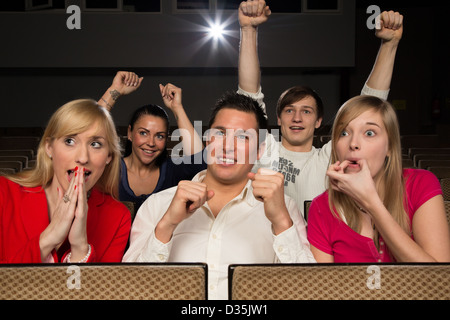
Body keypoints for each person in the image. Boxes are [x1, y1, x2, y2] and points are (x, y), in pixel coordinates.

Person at [123, 92, 315, 300]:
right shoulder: (158, 205)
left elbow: (306, 292)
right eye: (220, 133)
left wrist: (281, 222)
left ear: (259, 151)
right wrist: (167, 224)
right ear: (207, 142)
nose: (227, 146)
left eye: (242, 137)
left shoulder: (284, 208)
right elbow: (131, 291)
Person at [238, 0, 404, 218]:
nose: (297, 118)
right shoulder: (265, 148)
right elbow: (249, 95)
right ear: (278, 119)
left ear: (318, 121)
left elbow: (367, 108)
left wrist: (389, 45)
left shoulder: (329, 157)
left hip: (318, 249)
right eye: (289, 110)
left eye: (306, 111)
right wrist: (248, 30)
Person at [307, 95, 450, 263]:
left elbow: (438, 280)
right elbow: (326, 286)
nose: (353, 143)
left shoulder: (421, 183)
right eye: (344, 133)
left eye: (369, 133)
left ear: (389, 146)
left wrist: (372, 203)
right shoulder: (321, 207)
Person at [0, 99, 131, 263]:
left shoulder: (117, 217)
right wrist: (49, 238)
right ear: (49, 148)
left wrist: (80, 247)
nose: (83, 158)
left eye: (95, 144)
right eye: (69, 141)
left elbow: (100, 288)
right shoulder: (4, 193)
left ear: (109, 157)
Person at [98, 72, 206, 210]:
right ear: (129, 133)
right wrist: (115, 91)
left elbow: (199, 162)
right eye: (143, 133)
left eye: (159, 136)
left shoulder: (172, 171)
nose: (151, 142)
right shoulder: (110, 168)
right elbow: (86, 132)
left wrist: (177, 108)